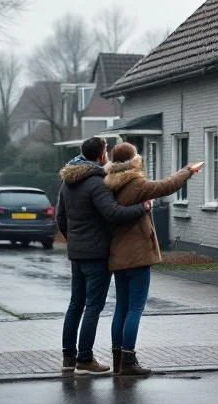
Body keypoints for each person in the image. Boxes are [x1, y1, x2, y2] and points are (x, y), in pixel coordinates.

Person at [104, 141, 203, 376]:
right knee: (135, 308)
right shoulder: (136, 184)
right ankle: (128, 361)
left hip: (117, 255)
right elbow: (167, 186)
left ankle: (118, 358)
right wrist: (188, 170)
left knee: (121, 307)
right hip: (138, 254)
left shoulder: (108, 186)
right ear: (132, 161)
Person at [56, 136, 150, 376]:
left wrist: (74, 240)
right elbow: (113, 213)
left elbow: (60, 217)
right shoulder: (96, 182)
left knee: (75, 303)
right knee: (93, 306)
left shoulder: (68, 180)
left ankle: (69, 356)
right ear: (100, 155)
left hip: (76, 253)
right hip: (96, 253)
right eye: (106, 150)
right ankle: (85, 359)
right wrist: (143, 208)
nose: (107, 154)